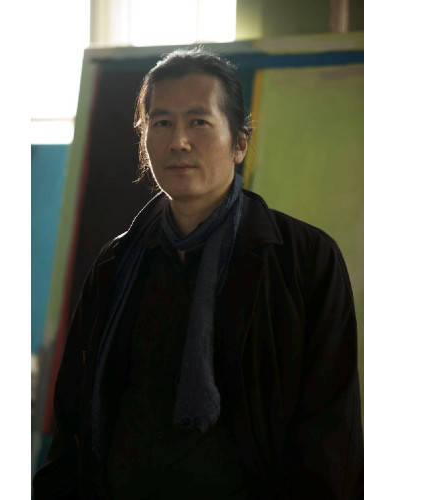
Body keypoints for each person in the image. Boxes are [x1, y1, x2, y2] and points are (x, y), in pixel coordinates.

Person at [33, 48, 364, 499]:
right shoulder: (116, 264)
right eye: (161, 123)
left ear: (239, 143)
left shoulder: (303, 260)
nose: (179, 142)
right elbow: (73, 418)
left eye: (199, 122)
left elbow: (330, 431)